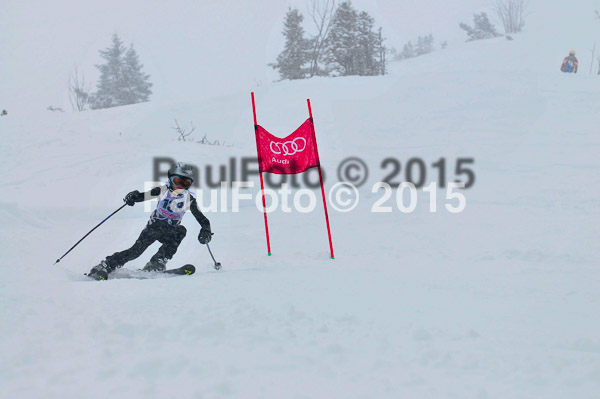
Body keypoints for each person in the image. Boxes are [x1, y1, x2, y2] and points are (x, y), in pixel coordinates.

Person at [88, 162, 212, 280]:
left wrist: (205, 230)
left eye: (185, 183)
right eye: (177, 181)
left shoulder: (189, 199)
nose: (180, 185)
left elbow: (203, 220)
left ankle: (157, 261)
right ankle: (106, 265)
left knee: (181, 230)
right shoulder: (163, 191)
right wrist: (134, 197)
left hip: (170, 231)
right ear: (170, 179)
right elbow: (144, 196)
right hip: (153, 229)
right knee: (135, 253)